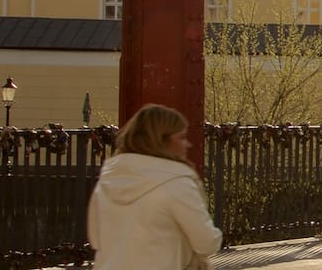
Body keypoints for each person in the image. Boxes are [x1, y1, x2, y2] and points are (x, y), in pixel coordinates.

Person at [87, 104, 222, 269]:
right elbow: (206, 242)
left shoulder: (108, 179)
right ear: (162, 140)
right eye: (181, 137)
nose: (187, 144)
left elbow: (95, 238)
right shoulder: (176, 183)